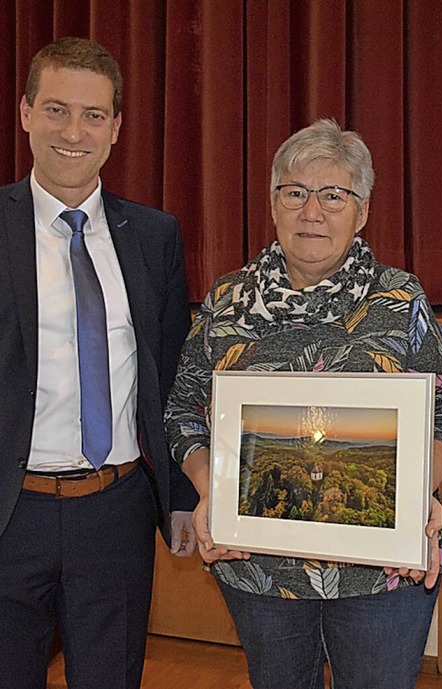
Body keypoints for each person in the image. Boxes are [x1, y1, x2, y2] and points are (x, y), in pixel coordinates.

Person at [165, 118, 442, 689]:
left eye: (333, 195)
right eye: (295, 193)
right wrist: (213, 489)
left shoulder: (400, 299)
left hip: (384, 571)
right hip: (255, 566)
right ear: (273, 204)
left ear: (362, 211)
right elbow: (182, 411)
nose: (312, 211)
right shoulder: (227, 299)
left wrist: (416, 494)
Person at [0, 37, 197, 689]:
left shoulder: (156, 235)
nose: (72, 132)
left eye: (92, 115)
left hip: (115, 513)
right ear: (24, 112)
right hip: (10, 513)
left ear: (116, 127)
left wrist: (180, 499)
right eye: (56, 109)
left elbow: (169, 379)